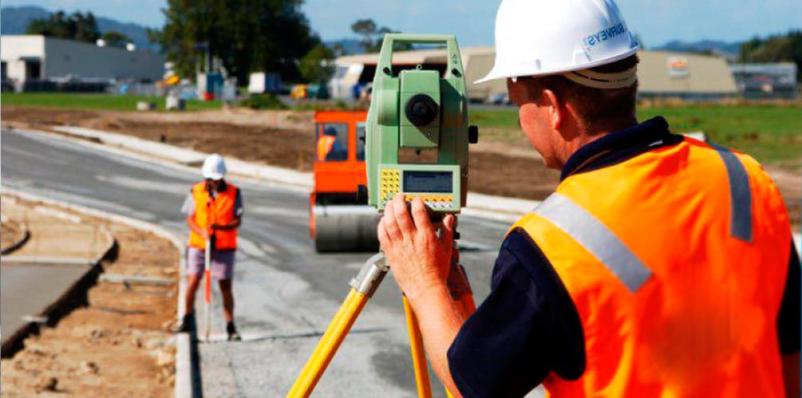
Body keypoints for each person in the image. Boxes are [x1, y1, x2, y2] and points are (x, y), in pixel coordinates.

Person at [377, 0, 801, 396]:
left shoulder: (549, 246)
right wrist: (456, 298)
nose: (520, 116)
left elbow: (475, 384)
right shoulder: (745, 182)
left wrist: (423, 282)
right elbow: (790, 361)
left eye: (516, 100)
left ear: (551, 105)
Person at [175, 154, 244, 341]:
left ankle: (230, 326)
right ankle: (186, 320)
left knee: (225, 286)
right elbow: (189, 218)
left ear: (222, 177)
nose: (211, 181)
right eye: (208, 178)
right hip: (199, 244)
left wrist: (221, 228)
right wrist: (202, 232)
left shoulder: (234, 193)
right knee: (193, 281)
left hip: (224, 246)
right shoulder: (196, 191)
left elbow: (237, 220)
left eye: (214, 178)